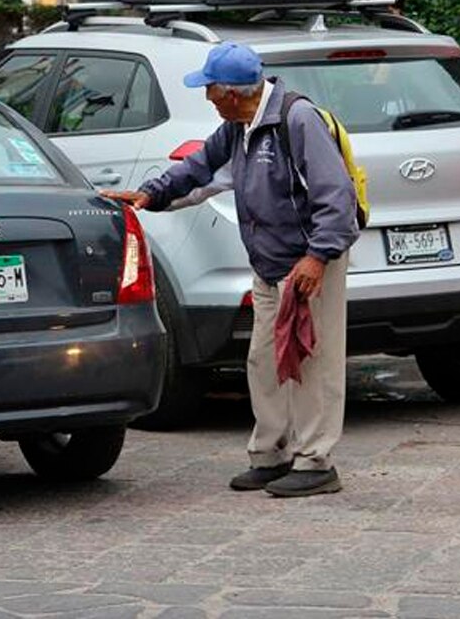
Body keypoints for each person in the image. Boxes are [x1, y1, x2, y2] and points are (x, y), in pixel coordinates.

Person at [103, 42, 359, 497]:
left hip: (307, 265)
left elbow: (335, 196)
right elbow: (199, 170)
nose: (207, 99)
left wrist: (318, 257)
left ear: (234, 93)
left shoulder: (298, 121)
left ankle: (316, 461)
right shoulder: (236, 126)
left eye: (211, 91)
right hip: (269, 265)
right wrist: (150, 195)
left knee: (313, 365)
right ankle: (271, 454)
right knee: (265, 361)